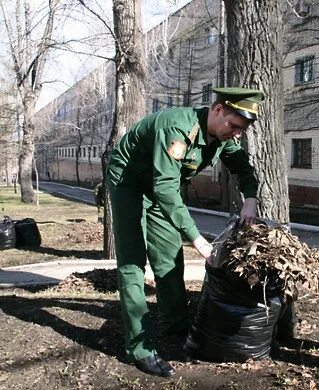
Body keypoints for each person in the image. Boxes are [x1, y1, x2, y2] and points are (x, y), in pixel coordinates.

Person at [107, 87, 263, 377]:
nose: (237, 134)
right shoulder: (177, 128)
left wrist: (250, 198)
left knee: (168, 258)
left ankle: (174, 327)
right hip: (129, 181)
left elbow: (242, 167)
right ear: (218, 110)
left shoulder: (221, 137)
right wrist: (198, 239)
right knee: (132, 264)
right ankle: (139, 348)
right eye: (235, 125)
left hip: (159, 189)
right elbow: (165, 187)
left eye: (242, 129)